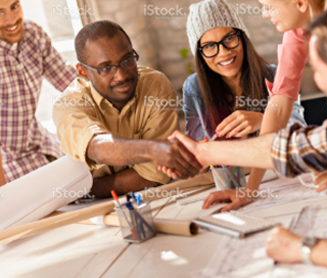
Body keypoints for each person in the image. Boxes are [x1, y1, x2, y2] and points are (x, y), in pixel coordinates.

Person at [163, 2, 327, 272]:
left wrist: (302, 248)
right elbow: (290, 147)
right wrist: (206, 154)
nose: (316, 83)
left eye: (318, 71)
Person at [53, 21, 202, 198]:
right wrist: (153, 150)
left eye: (127, 60)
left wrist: (89, 189)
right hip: (87, 208)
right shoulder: (69, 104)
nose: (122, 75)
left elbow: (155, 174)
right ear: (83, 72)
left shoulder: (155, 87)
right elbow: (97, 148)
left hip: (148, 196)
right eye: (106, 68)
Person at [182, 0, 306, 143]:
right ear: (200, 54)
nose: (223, 52)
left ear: (242, 37)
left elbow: (300, 134)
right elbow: (196, 144)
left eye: (229, 38)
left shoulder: (274, 75)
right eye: (209, 46)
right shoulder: (193, 88)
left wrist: (263, 120)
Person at [0, 0, 79, 182]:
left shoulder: (33, 34)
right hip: (6, 161)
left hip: (39, 143)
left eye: (14, 6)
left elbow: (70, 82)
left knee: (84, 182)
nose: (11, 20)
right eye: (0, 12)